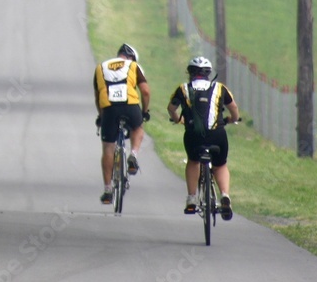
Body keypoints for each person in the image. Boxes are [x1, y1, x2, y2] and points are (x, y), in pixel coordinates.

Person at [166, 56, 240, 220]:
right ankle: (225, 196)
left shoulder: (183, 88)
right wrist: (232, 119)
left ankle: (192, 199)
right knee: (220, 165)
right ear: (208, 73)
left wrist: (178, 119)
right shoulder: (220, 88)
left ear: (190, 72)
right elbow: (233, 108)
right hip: (217, 134)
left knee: (193, 161)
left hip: (194, 135)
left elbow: (171, 108)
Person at [93, 43, 151, 205]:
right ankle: (133, 154)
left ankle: (107, 190)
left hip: (109, 109)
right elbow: (145, 92)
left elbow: (98, 97)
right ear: (132, 57)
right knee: (137, 127)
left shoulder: (101, 67)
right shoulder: (134, 66)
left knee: (108, 148)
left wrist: (101, 115)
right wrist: (144, 112)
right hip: (130, 105)